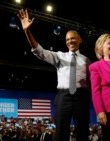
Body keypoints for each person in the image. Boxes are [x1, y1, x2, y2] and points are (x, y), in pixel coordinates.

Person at [17, 9, 91, 141]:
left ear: (80, 40)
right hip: (64, 96)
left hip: (81, 97)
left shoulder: (87, 60)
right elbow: (39, 52)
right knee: (61, 131)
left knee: (82, 131)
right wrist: (27, 31)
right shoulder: (59, 56)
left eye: (73, 38)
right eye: (67, 39)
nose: (70, 41)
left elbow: (92, 80)